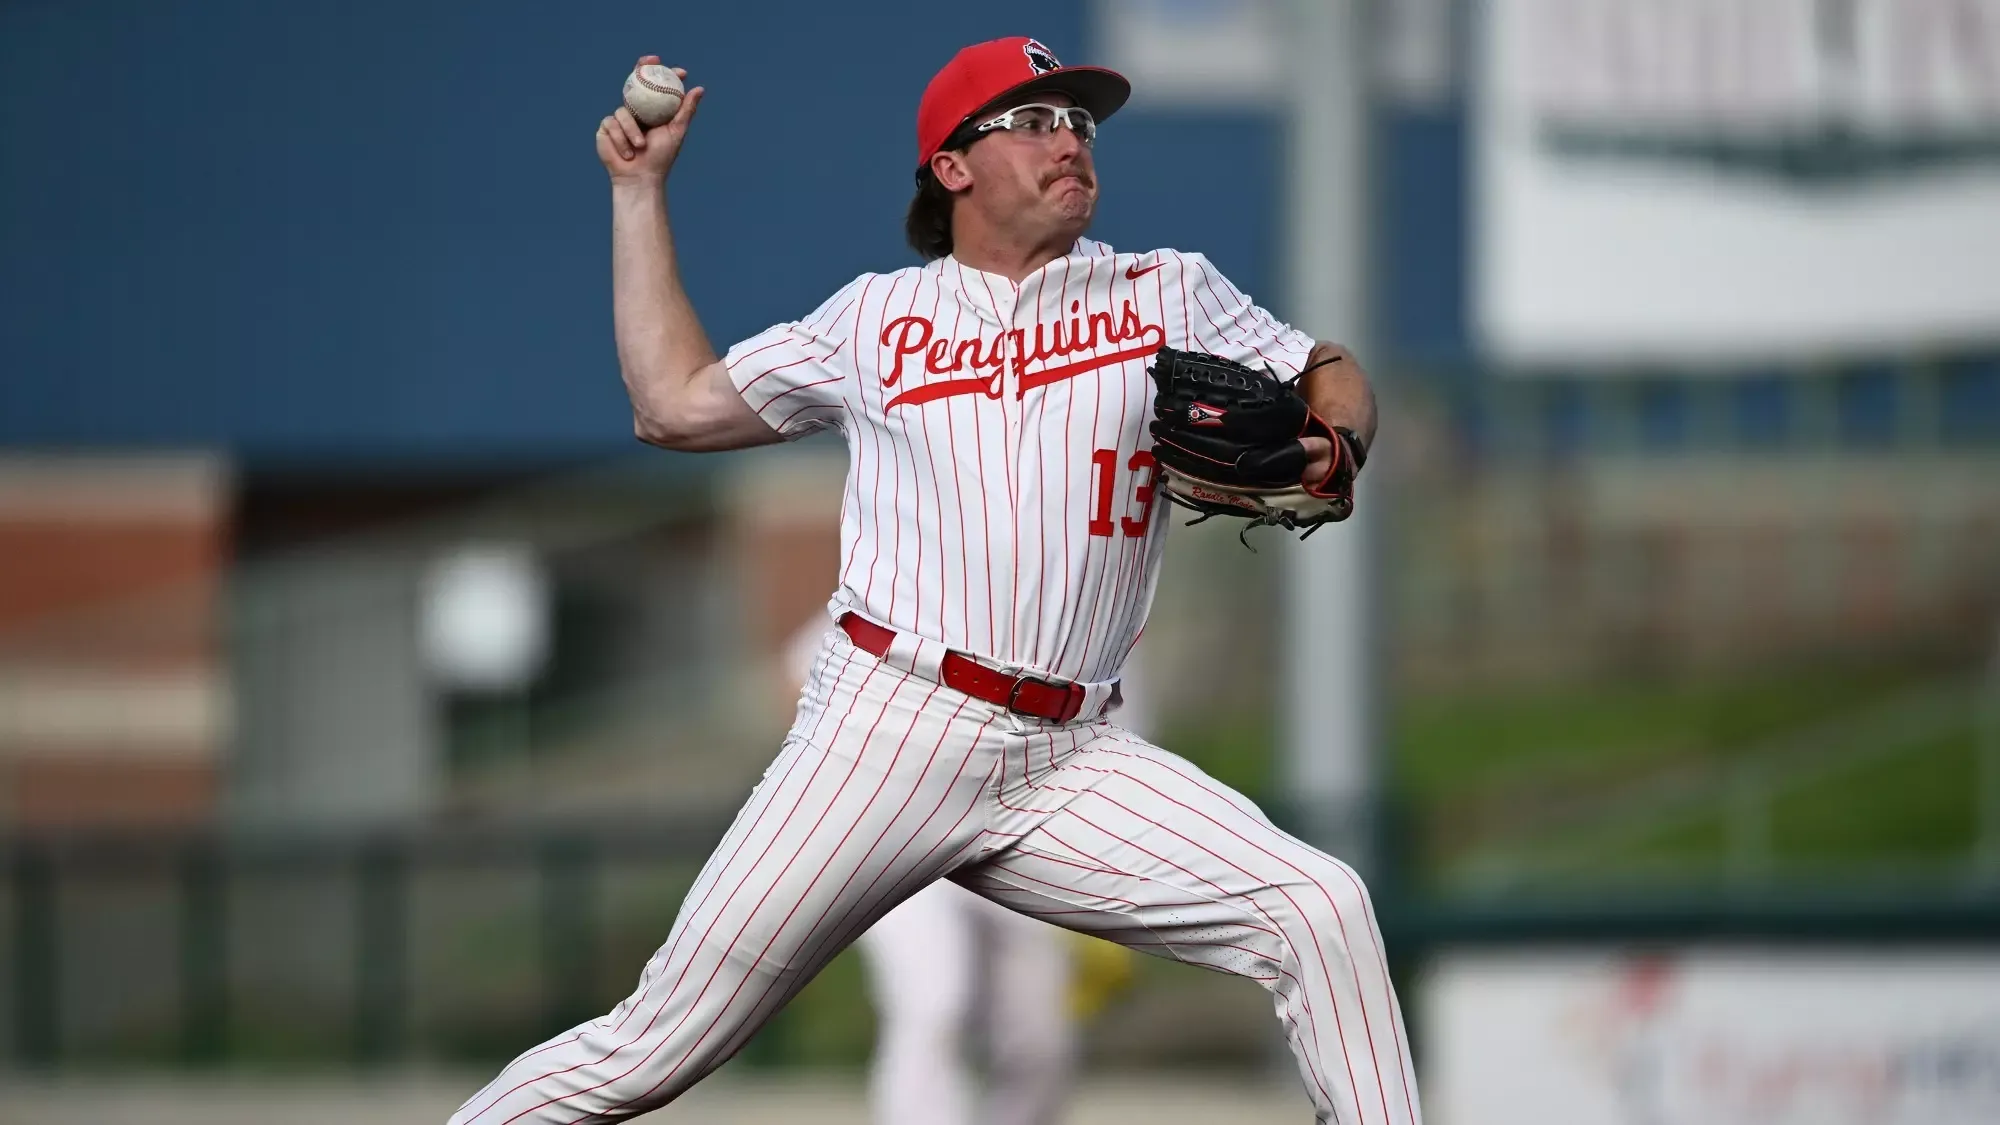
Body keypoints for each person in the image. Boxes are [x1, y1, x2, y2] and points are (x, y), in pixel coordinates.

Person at [450, 36, 1420, 1125]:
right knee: (650, 1050)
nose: (1071, 142)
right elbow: (671, 404)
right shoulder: (871, 320)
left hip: (1071, 757)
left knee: (1319, 907)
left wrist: (1334, 438)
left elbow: (1323, 365)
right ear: (951, 167)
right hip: (887, 729)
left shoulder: (1166, 291)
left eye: (1081, 125)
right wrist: (638, 193)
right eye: (1036, 122)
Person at [780, 614, 1147, 1125]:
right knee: (934, 1002)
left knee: (1041, 1036)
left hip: (1024, 830)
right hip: (900, 833)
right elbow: (803, 670)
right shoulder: (931, 579)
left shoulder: (1091, 616)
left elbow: (1115, 752)